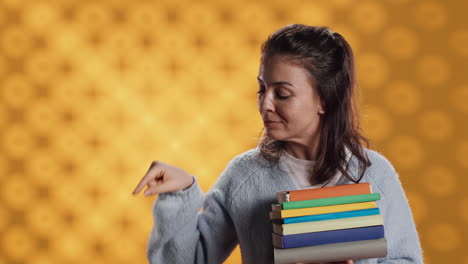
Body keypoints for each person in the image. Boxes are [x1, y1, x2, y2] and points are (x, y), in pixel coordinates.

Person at [132, 24, 423, 264]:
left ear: (324, 99)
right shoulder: (244, 175)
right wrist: (180, 195)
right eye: (262, 88)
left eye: (282, 94)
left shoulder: (375, 174)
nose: (265, 104)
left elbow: (406, 260)